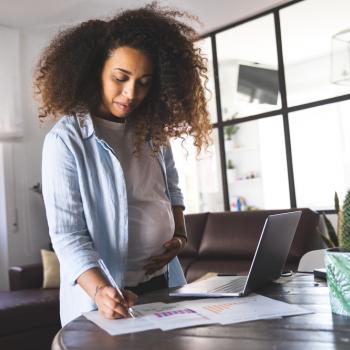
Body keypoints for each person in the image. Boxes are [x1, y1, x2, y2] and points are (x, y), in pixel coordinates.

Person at [34, 3, 211, 326]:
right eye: (121, 77)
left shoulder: (151, 130)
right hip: (109, 294)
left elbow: (172, 189)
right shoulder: (65, 142)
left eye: (144, 81)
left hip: (164, 281)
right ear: (95, 71)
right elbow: (67, 235)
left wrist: (180, 236)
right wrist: (101, 290)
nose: (132, 93)